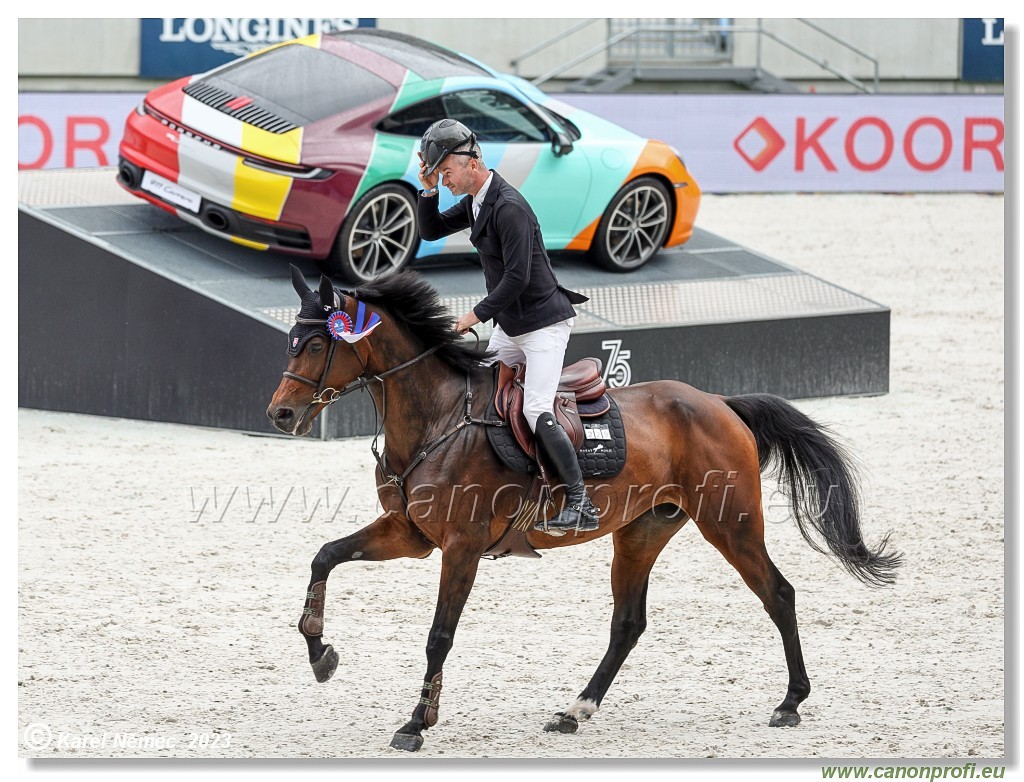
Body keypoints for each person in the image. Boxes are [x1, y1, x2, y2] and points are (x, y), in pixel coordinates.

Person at [416, 118, 599, 534]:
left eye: (445, 173)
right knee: (480, 392)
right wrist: (426, 187)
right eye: (439, 176)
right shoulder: (477, 201)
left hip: (543, 325)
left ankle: (579, 502)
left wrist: (473, 315)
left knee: (536, 408)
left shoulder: (509, 206)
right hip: (512, 325)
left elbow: (516, 278)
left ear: (472, 162)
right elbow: (429, 230)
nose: (444, 182)